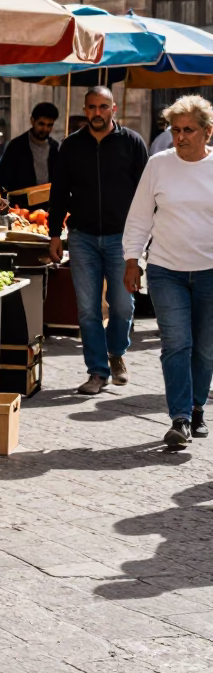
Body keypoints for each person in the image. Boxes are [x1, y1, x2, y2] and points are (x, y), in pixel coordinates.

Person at [123, 95, 213, 447]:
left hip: (209, 270)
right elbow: (140, 216)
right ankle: (180, 418)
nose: (180, 136)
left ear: (208, 132)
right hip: (165, 270)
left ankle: (196, 409)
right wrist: (133, 260)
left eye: (188, 130)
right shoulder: (158, 164)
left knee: (205, 349)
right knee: (177, 343)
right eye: (175, 130)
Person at [48, 87, 149, 395]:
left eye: (103, 107)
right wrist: (55, 233)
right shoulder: (71, 146)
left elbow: (147, 194)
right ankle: (97, 371)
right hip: (82, 237)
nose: (97, 112)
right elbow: (59, 192)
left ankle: (116, 352)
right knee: (88, 310)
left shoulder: (132, 143)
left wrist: (145, 237)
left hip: (123, 239)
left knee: (122, 304)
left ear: (113, 109)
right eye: (92, 107)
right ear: (85, 109)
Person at [0, 102, 60, 193]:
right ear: (32, 121)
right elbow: (3, 180)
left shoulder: (54, 148)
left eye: (49, 125)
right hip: (21, 204)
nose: (45, 129)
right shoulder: (16, 146)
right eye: (41, 124)